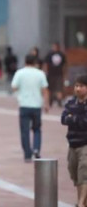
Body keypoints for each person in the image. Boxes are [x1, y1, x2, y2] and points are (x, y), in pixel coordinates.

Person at [11, 54, 49, 162]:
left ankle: (27, 153)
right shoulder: (40, 73)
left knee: (25, 130)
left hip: (24, 104)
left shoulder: (20, 73)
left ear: (25, 62)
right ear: (35, 62)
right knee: (37, 129)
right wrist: (46, 104)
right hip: (37, 105)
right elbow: (45, 90)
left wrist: (20, 93)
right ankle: (36, 149)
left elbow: (14, 86)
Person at [61, 74, 87, 207]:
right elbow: (63, 119)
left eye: (81, 86)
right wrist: (75, 118)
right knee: (75, 174)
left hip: (85, 145)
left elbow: (84, 122)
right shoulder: (71, 103)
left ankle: (81, 203)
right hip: (72, 144)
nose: (78, 89)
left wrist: (73, 118)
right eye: (76, 86)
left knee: (84, 174)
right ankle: (82, 201)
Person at [44, 42, 67, 107]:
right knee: (52, 88)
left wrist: (64, 74)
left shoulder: (60, 54)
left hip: (57, 74)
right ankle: (52, 100)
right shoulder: (50, 54)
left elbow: (64, 65)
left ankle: (58, 101)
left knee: (57, 88)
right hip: (53, 74)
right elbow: (46, 64)